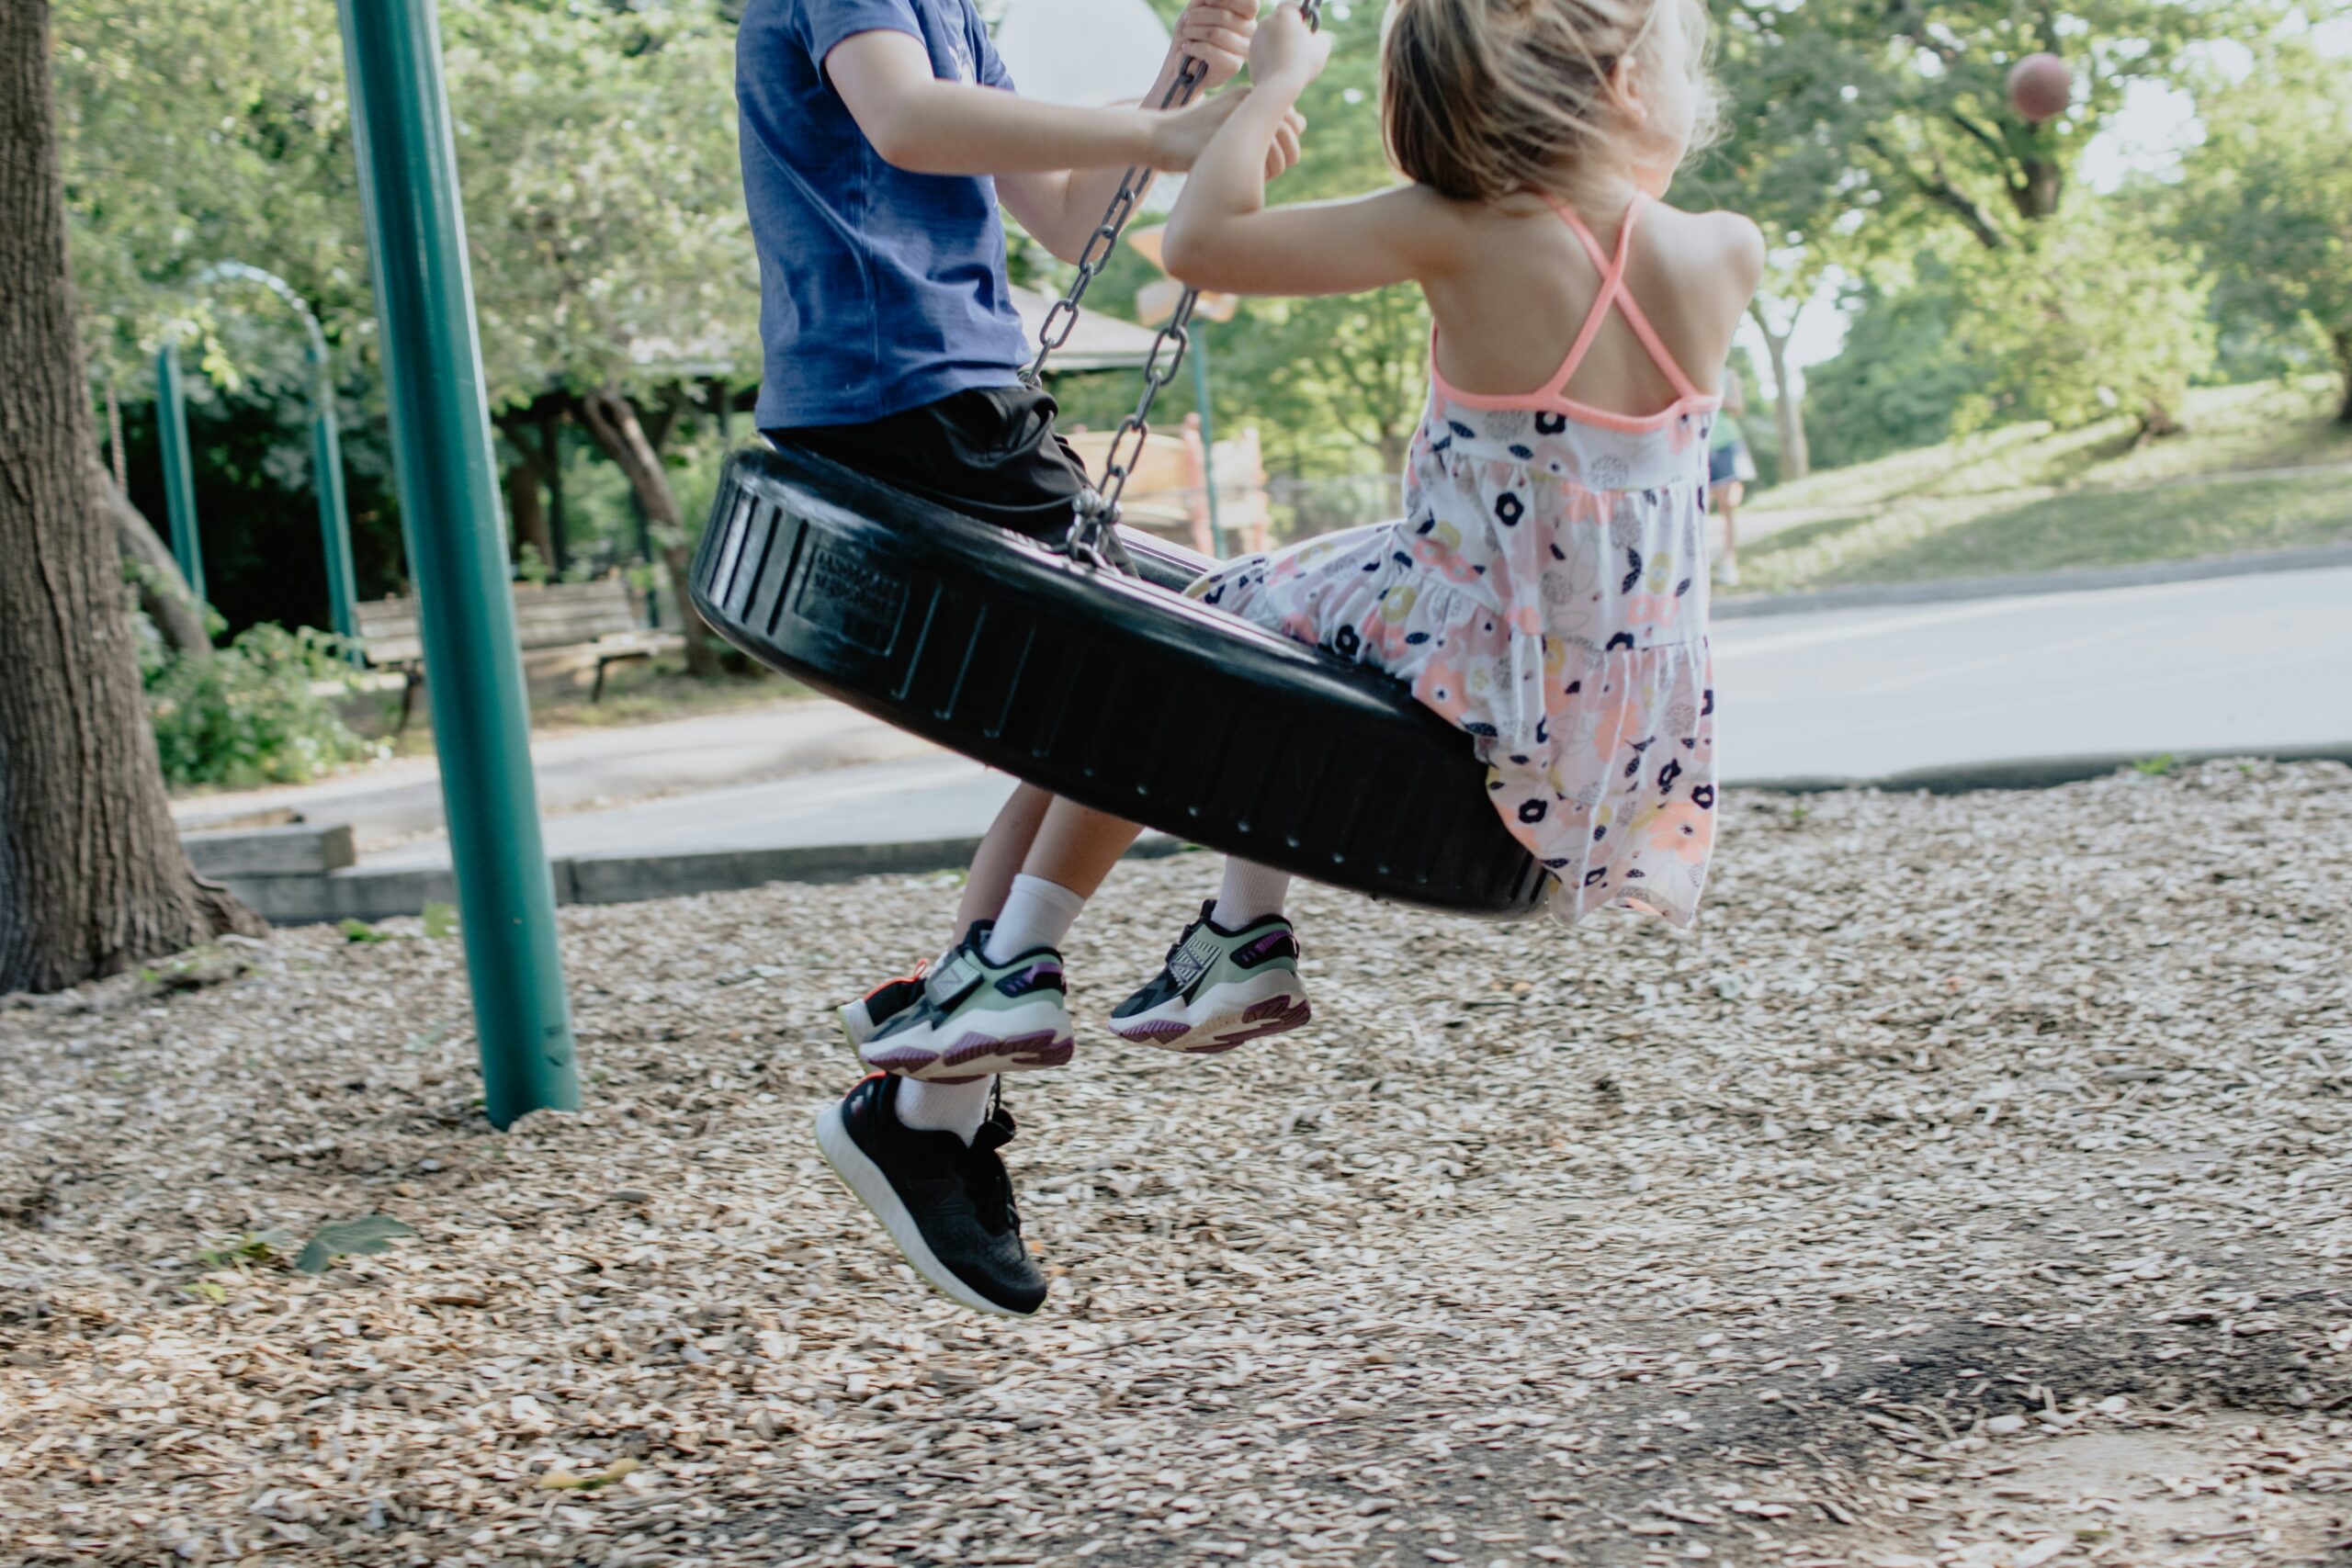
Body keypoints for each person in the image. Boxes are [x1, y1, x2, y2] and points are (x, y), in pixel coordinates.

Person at [831, 0, 1764, 1318]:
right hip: (1610, 726)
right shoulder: (1724, 250)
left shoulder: (1455, 227)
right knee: (1275, 637)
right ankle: (1230, 931)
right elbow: (1631, 238)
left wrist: (1269, 84)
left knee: (1205, 634)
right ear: (1620, 83)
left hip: (1462, 640)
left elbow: (1201, 243)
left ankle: (1035, 949)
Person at [740, 0, 1306, 1316]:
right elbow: (904, 119)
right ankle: (949, 1093)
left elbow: (1069, 224)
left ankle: (937, 1103)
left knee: (1104, 723)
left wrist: (1200, 81)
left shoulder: (958, 13)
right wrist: (1167, 125)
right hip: (908, 399)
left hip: (962, 397)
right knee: (1168, 681)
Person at [1707, 378, 1758, 586]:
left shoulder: (1728, 374)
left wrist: (1714, 393)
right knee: (1698, 509)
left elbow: (1737, 408)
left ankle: (1729, 561)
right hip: (1698, 444)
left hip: (1726, 444)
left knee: (1727, 507)